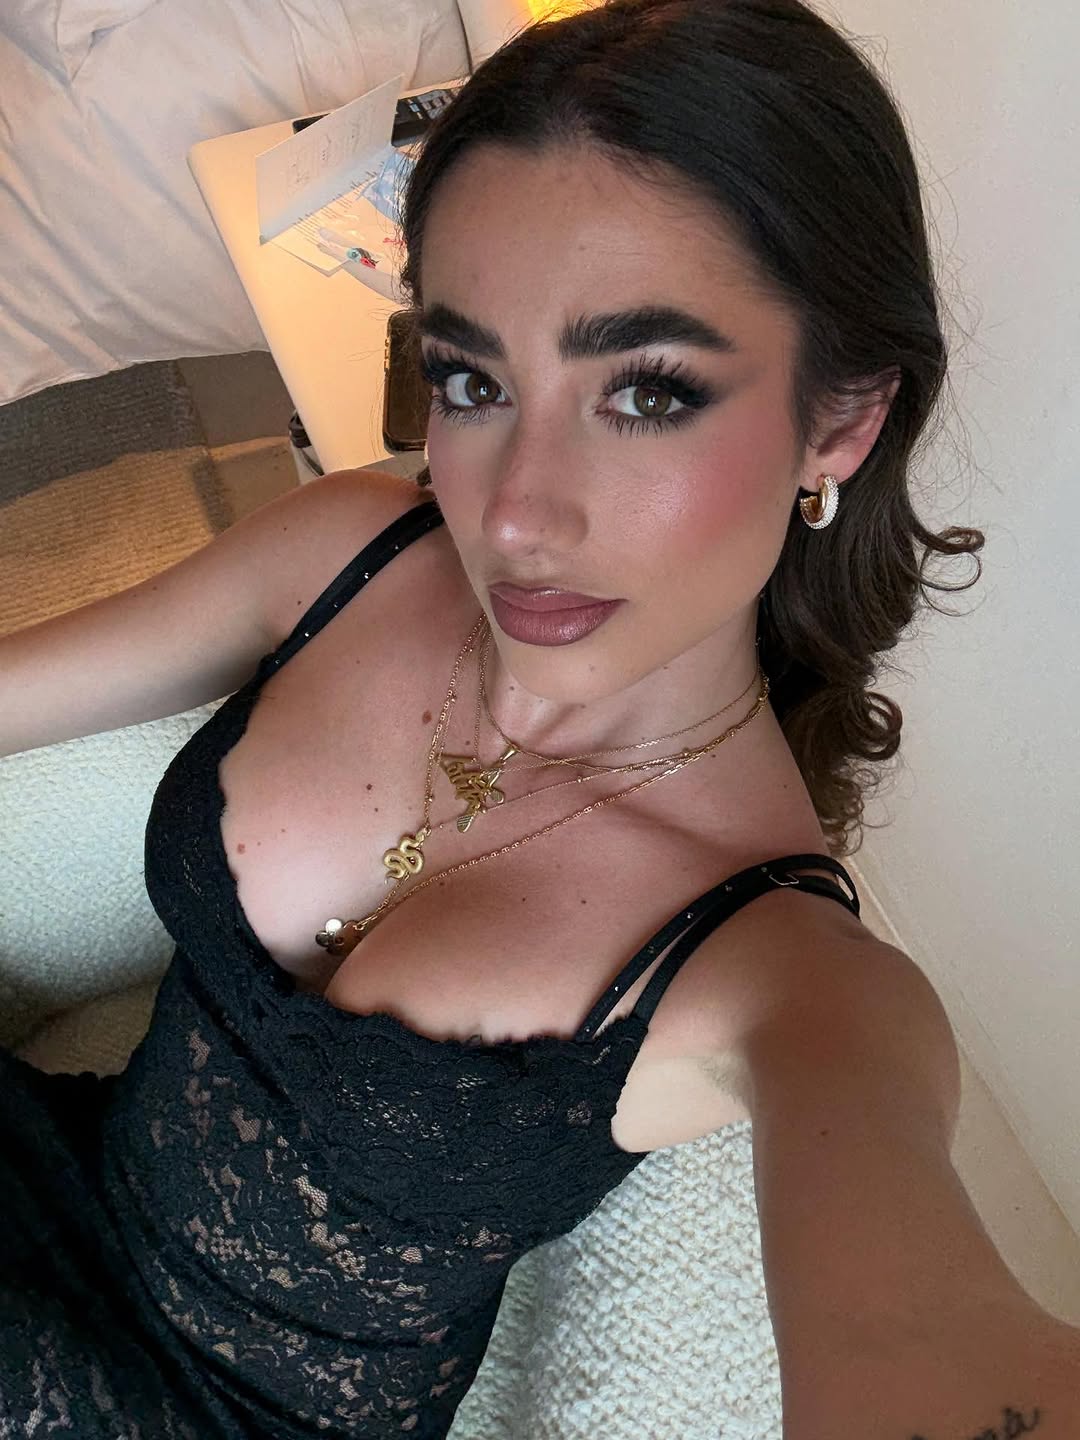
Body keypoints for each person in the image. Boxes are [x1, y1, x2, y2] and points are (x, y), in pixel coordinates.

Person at [4, 0, 1080, 1435]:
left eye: (648, 393)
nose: (512, 514)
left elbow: (922, 1345)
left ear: (839, 424)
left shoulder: (801, 986)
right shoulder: (357, 550)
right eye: (472, 380)